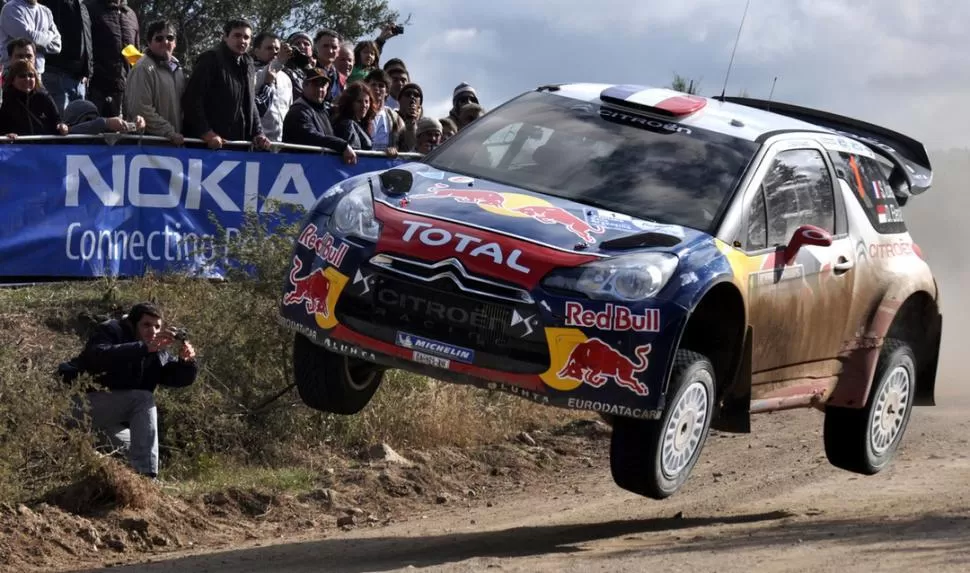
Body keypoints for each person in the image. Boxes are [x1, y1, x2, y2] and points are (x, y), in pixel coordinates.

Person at [71, 302, 197, 478]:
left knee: (140, 450)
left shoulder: (157, 352)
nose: (152, 331)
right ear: (133, 324)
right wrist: (143, 349)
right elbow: (97, 356)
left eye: (157, 326)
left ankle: (92, 460)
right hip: (76, 409)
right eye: (146, 325)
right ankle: (147, 480)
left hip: (105, 424)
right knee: (143, 399)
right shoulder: (112, 330)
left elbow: (176, 378)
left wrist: (186, 363)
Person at [181, 19, 269, 150]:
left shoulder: (248, 63)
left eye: (246, 37)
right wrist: (207, 133)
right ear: (225, 37)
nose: (242, 41)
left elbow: (250, 104)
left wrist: (259, 133)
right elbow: (192, 100)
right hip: (208, 148)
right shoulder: (210, 59)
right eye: (237, 35)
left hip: (239, 147)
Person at [281, 66, 356, 164]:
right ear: (304, 85)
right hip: (299, 168)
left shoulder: (323, 110)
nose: (320, 89)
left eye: (323, 85)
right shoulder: (298, 111)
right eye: (315, 85)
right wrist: (342, 145)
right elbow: (312, 137)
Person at [0, 58, 68, 138]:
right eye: (22, 76)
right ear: (12, 80)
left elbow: (57, 120)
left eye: (31, 75)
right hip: (16, 147)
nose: (27, 79)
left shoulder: (44, 96)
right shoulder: (5, 99)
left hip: (45, 147)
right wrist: (6, 136)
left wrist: (62, 126)